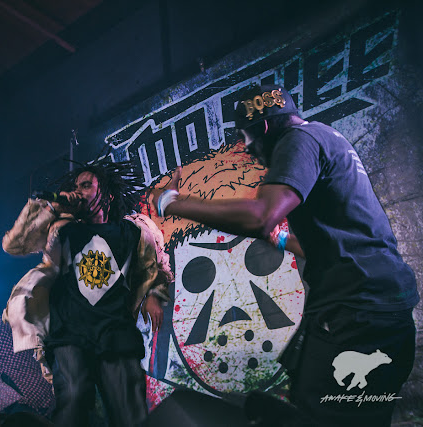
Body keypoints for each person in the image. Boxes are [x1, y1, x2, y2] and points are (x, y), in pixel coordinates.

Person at [150, 84, 419, 426]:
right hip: (382, 310)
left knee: (319, 412)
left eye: (246, 139)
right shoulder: (326, 138)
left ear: (263, 127)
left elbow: (262, 215)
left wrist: (172, 202)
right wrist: (281, 242)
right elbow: (319, 242)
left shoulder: (299, 140)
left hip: (356, 313)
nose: (249, 151)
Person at [2, 159, 173, 427]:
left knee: (128, 409)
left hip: (115, 331)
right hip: (70, 332)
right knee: (73, 399)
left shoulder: (132, 232)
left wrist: (153, 294)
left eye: (86, 185)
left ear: (107, 194)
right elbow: (15, 245)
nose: (79, 191)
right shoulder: (62, 229)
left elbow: (155, 267)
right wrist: (50, 207)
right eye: (76, 186)